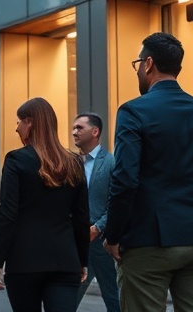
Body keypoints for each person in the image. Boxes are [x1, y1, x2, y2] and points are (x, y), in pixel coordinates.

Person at [103, 32, 193, 312]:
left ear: (148, 64)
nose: (138, 70)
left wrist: (113, 234)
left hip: (147, 241)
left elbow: (125, 180)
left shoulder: (133, 111)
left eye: (137, 63)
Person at [0, 97, 90, 312]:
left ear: (31, 122)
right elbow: (81, 219)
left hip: (24, 261)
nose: (17, 128)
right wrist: (82, 260)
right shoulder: (74, 162)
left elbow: (7, 214)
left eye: (19, 121)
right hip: (64, 260)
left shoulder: (16, 160)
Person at [72, 112, 120, 312]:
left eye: (79, 128)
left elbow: (116, 202)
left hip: (101, 243)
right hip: (76, 241)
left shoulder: (110, 163)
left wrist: (98, 227)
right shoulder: (71, 163)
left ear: (95, 131)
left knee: (113, 297)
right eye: (73, 128)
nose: (74, 132)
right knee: (68, 297)